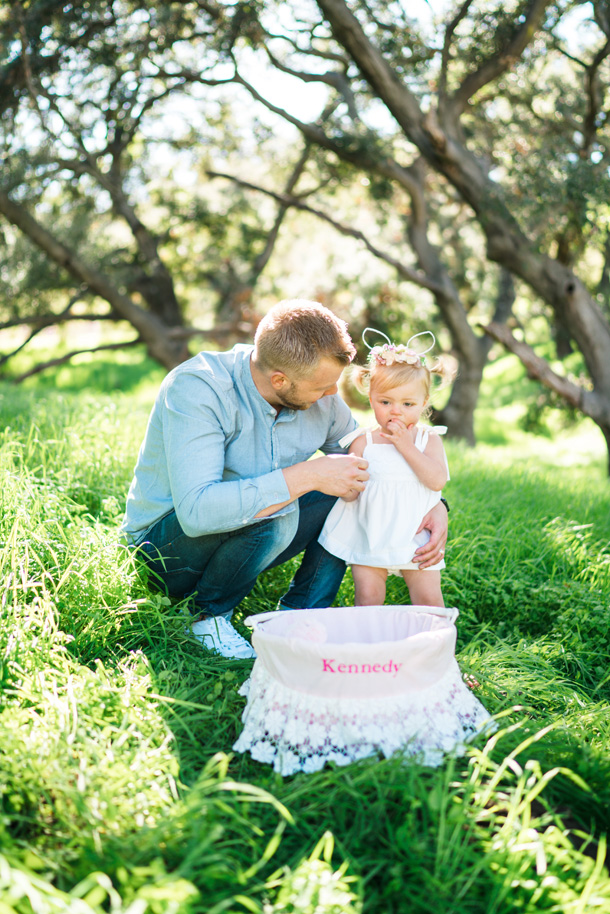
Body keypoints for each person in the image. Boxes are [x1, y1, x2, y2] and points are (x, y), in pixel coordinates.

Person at [121, 302, 448, 658]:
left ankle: (301, 614)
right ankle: (208, 615)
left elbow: (376, 462)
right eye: (322, 387)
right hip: (165, 552)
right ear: (280, 380)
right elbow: (197, 513)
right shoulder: (199, 389)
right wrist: (305, 476)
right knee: (277, 507)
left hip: (245, 537)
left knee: (347, 484)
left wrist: (437, 505)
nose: (331, 396)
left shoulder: (321, 396)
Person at [318, 330, 451, 608]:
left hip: (416, 534)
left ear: (424, 403)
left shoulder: (428, 439)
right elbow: (351, 490)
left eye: (408, 404)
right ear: (371, 398)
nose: (396, 411)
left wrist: (406, 446)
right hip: (370, 531)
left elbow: (436, 480)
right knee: (368, 597)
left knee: (428, 599)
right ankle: (370, 648)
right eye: (385, 402)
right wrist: (349, 487)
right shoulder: (363, 441)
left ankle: (434, 649)